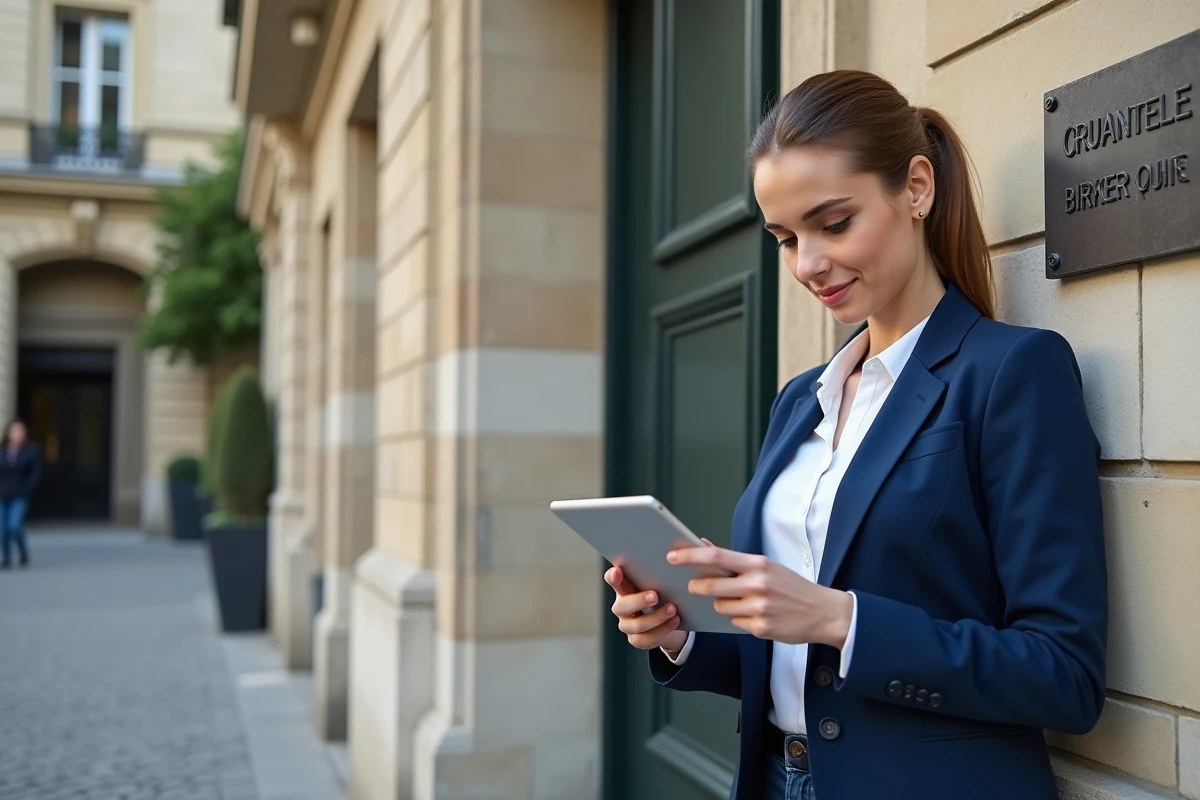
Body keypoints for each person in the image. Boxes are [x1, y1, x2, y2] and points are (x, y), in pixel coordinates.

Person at [605, 70, 1107, 800]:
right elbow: (785, 661)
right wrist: (681, 632)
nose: (807, 265)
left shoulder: (1013, 373)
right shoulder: (797, 401)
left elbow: (1064, 676)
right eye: (784, 238)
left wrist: (841, 619)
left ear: (917, 189)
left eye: (833, 224)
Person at [0, 419, 43, 568]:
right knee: (2, 527)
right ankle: (6, 557)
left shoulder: (31, 451)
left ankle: (22, 550)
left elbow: (36, 473)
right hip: (2, 494)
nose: (16, 434)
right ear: (8, 433)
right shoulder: (2, 450)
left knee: (14, 526)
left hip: (20, 494)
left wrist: (28, 488)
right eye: (14, 431)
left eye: (20, 431)